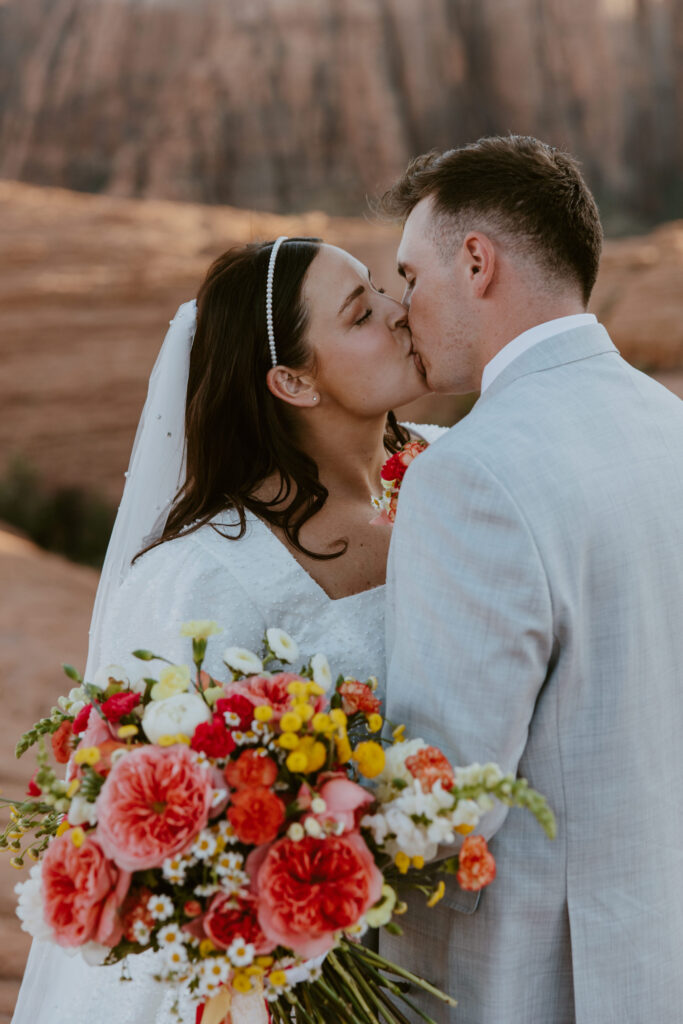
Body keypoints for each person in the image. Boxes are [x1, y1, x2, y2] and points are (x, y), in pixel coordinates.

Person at [11, 237, 442, 1023]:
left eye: (381, 288)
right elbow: (162, 840)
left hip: (467, 946)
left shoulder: (451, 475)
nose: (398, 311)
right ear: (292, 380)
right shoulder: (202, 574)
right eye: (361, 312)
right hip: (303, 978)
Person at [381, 135, 683, 1023]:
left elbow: (445, 807)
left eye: (410, 276)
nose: (402, 309)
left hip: (531, 978)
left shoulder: (471, 472)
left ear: (476, 262)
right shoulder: (667, 424)